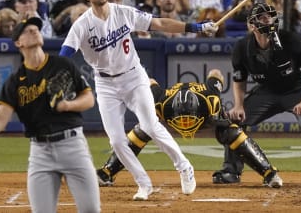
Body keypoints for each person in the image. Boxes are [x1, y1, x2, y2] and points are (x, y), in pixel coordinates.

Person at [59, 0, 218, 200]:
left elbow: (160, 23)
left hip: (134, 77)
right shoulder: (82, 25)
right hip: (105, 84)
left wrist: (197, 28)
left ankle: (184, 166)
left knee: (150, 125)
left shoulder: (122, 12)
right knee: (115, 140)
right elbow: (66, 52)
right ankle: (143, 183)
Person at [0, 16, 101, 213]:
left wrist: (68, 105)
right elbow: (2, 115)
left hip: (73, 146)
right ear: (19, 43)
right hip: (40, 152)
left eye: (36, 28)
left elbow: (89, 99)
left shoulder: (62, 65)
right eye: (27, 30)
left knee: (90, 209)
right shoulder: (15, 81)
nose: (34, 31)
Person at [96, 69, 283, 188]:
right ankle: (106, 173)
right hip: (171, 115)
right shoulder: (160, 101)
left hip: (205, 118)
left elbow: (216, 73)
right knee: (142, 129)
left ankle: (270, 173)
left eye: (188, 119)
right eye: (182, 120)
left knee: (231, 131)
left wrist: (218, 115)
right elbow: (151, 82)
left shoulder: (210, 100)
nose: (185, 125)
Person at [220, 2, 301, 186]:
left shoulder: (292, 39)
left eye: (271, 16)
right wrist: (238, 105)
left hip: (297, 90)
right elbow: (239, 79)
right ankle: (231, 171)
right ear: (251, 25)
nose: (268, 19)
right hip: (266, 90)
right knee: (234, 122)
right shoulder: (241, 47)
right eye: (262, 17)